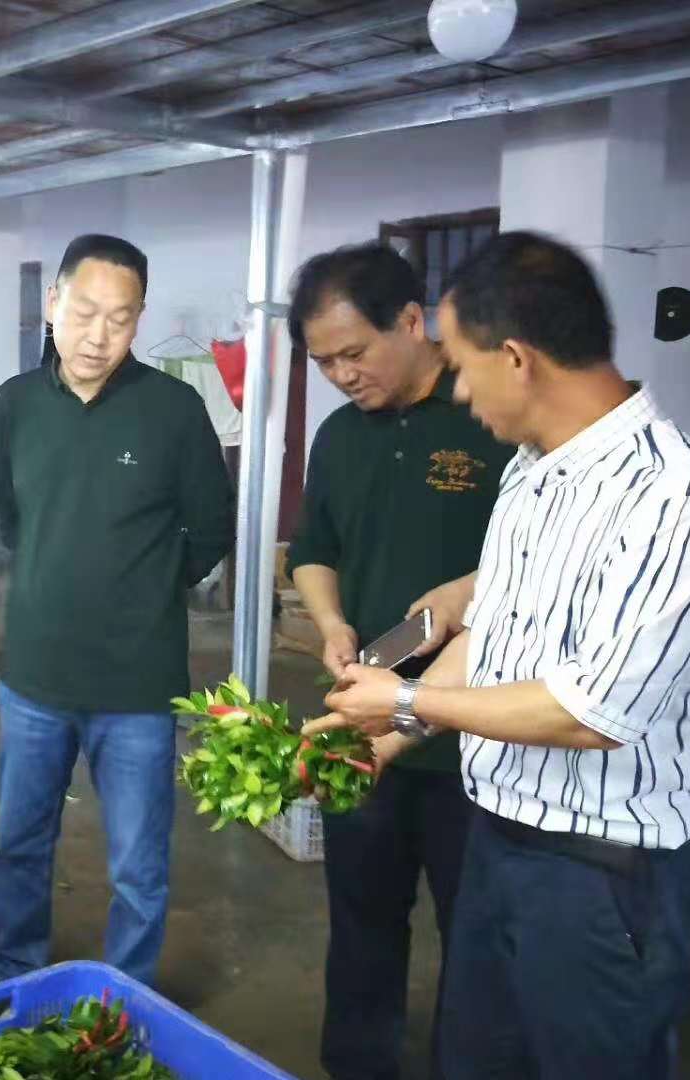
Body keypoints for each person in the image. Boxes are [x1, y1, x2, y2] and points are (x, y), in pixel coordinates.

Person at [308, 231, 690, 1080]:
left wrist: (407, 703)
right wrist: (375, 742)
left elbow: (588, 712)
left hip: (605, 876)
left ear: (518, 359)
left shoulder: (675, 500)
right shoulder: (531, 474)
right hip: (500, 845)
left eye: (460, 363)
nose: (454, 385)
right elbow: (494, 636)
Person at [285, 242, 513, 1080]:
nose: (342, 375)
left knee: (477, 935)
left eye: (355, 352)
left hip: (478, 741)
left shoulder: (493, 420)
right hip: (363, 723)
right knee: (363, 921)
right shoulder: (341, 436)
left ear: (413, 322)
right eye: (324, 362)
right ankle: (359, 1063)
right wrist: (332, 621)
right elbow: (314, 548)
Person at [0, 234, 234, 986]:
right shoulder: (15, 403)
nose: (98, 335)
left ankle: (127, 997)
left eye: (119, 319)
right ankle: (11, 976)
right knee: (18, 844)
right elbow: (10, 516)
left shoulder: (175, 410)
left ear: (140, 320)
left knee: (138, 865)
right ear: (53, 302)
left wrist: (148, 589)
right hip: (33, 675)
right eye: (85, 311)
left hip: (138, 686)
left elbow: (210, 529)